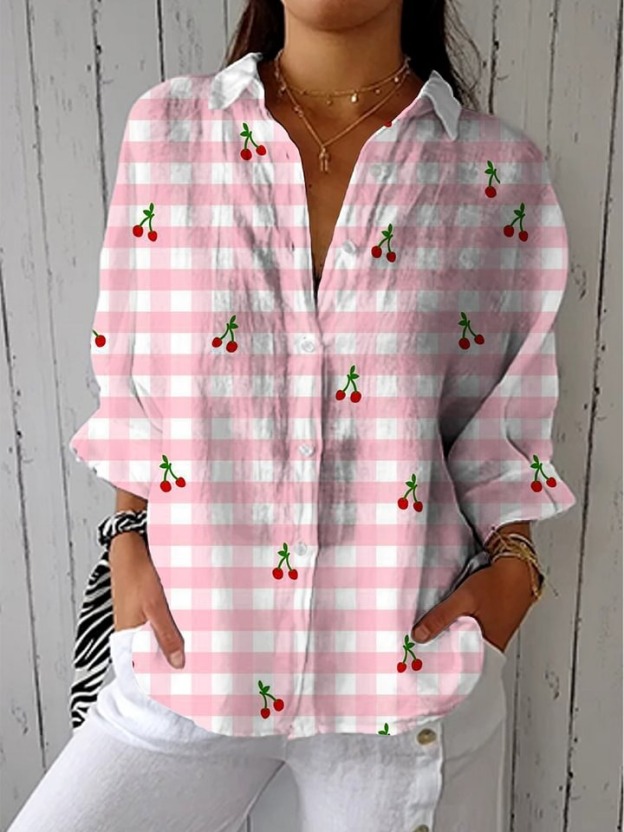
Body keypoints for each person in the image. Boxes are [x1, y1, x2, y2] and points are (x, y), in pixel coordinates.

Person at [9, 1, 577, 830]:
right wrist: (126, 534)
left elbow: (502, 423)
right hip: (190, 654)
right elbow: (134, 377)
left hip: (399, 683)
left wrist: (514, 571)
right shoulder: (170, 132)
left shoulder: (494, 171)